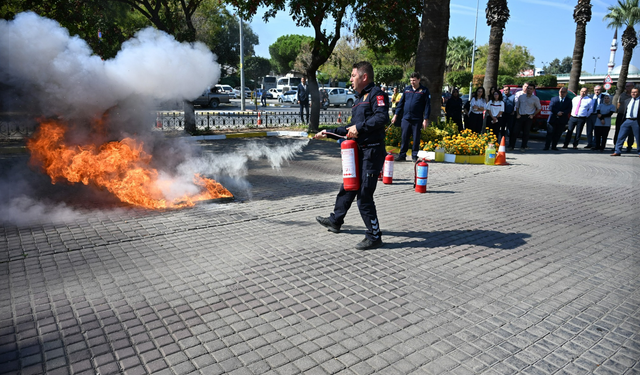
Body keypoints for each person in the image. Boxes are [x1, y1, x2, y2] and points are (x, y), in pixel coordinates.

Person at [314, 61, 389, 250]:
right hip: (358, 151)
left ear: (364, 77)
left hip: (372, 151)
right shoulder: (358, 99)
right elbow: (349, 129)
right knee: (348, 187)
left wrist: (360, 127)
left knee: (364, 195)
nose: (350, 79)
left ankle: (374, 235)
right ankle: (335, 221)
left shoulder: (376, 94)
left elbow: (381, 118)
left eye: (353, 75)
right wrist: (328, 132)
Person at [391, 72, 431, 162]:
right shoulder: (407, 90)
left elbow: (427, 106)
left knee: (416, 137)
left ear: (419, 80)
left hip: (417, 118)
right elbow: (400, 104)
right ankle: (402, 155)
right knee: (404, 137)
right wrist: (395, 115)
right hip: (406, 118)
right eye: (411, 80)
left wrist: (426, 119)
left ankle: (414, 155)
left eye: (414, 80)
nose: (412, 82)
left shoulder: (424, 90)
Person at [511, 83, 541, 151]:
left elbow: (539, 108)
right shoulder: (521, 96)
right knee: (515, 132)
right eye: (528, 88)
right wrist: (518, 114)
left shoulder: (535, 98)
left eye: (531, 89)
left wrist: (533, 115)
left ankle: (523, 147)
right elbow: (517, 106)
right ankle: (511, 146)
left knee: (526, 133)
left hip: (528, 117)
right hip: (520, 116)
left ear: (533, 90)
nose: (529, 90)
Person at [611, 87, 640, 157]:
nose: (633, 93)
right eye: (632, 92)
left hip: (637, 121)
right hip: (627, 120)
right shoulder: (627, 101)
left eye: (635, 92)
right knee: (620, 136)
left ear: (639, 93)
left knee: (638, 138)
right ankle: (617, 151)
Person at [614, 82, 635, 152]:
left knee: (631, 132)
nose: (626, 88)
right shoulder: (622, 95)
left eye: (628, 86)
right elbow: (618, 104)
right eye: (626, 86)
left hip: (630, 116)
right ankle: (616, 146)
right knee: (618, 130)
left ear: (633, 87)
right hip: (621, 115)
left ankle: (629, 146)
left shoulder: (635, 96)